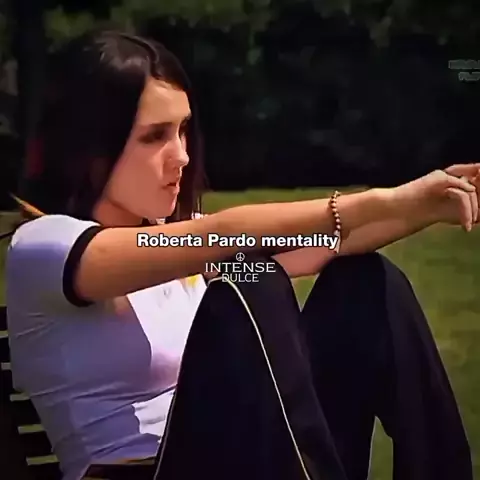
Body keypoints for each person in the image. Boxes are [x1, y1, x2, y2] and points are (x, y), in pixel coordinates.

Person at [5, 29, 476, 480]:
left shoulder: (182, 252)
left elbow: (328, 243)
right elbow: (220, 236)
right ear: (91, 146)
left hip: (243, 459)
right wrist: (387, 199)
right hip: (144, 472)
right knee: (253, 279)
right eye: (154, 136)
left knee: (367, 286)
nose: (181, 155)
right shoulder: (46, 248)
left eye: (182, 131)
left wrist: (430, 207)